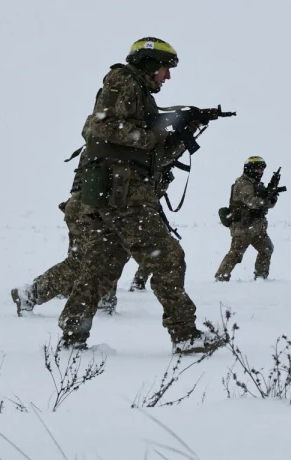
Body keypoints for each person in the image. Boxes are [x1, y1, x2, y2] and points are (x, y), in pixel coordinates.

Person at [57, 37, 217, 353]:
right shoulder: (123, 80)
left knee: (99, 267)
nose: (167, 77)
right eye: (164, 69)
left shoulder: (141, 95)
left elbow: (156, 155)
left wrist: (189, 129)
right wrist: (152, 135)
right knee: (168, 258)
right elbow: (101, 128)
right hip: (123, 194)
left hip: (117, 194)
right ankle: (185, 335)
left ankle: (72, 335)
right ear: (148, 64)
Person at [10, 200, 126, 316]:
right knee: (80, 262)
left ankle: (101, 300)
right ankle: (29, 295)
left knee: (109, 256)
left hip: (100, 212)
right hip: (87, 212)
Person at [214, 156, 279, 282]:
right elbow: (250, 201)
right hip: (243, 226)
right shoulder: (243, 183)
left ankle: (260, 276)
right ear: (250, 169)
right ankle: (221, 277)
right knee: (236, 254)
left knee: (266, 249)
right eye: (258, 169)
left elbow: (265, 204)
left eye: (262, 170)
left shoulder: (257, 184)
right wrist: (265, 200)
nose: (260, 172)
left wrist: (272, 197)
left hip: (256, 226)